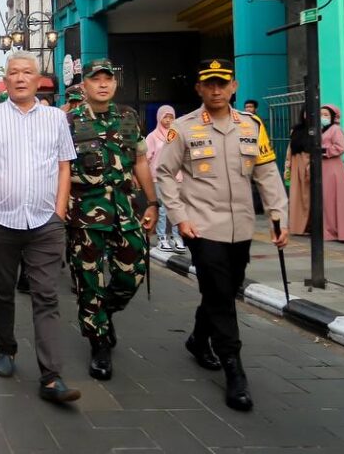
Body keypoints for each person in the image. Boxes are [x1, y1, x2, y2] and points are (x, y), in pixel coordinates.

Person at [154, 58, 289, 413]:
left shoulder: (251, 126)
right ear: (199, 88)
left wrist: (278, 215)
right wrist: (180, 217)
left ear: (234, 86)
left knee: (223, 290)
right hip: (201, 226)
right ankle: (234, 369)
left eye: (222, 83)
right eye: (209, 84)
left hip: (241, 227)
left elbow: (267, 173)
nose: (216, 90)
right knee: (221, 295)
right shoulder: (182, 128)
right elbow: (164, 172)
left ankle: (199, 340)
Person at [0, 51, 81, 404]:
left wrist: (59, 210)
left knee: (46, 295)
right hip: (1, 221)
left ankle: (51, 375)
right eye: (13, 72)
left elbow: (63, 166)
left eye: (27, 72)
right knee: (2, 291)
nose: (20, 78)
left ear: (38, 79)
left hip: (45, 223)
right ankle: (6, 349)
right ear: (6, 79)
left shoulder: (56, 119)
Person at [66, 58, 159, 381]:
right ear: (84, 85)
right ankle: (99, 343)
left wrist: (152, 202)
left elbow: (142, 161)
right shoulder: (70, 121)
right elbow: (59, 168)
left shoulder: (128, 118)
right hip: (85, 212)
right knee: (89, 280)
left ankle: (103, 313)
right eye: (96, 79)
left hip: (124, 208)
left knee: (132, 273)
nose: (103, 84)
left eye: (108, 79)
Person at [145, 105, 183, 252]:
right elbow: (146, 159)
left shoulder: (177, 135)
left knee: (176, 208)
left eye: (171, 117)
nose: (168, 120)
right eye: (165, 117)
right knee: (161, 210)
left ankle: (176, 236)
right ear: (159, 118)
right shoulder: (152, 137)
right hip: (158, 178)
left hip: (176, 177)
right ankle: (162, 238)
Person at [320, 105, 344, 242]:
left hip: (333, 168)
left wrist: (323, 151)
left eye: (325, 114)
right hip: (324, 168)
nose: (322, 117)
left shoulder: (336, 130)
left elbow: (340, 147)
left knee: (336, 199)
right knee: (326, 200)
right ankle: (329, 231)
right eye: (321, 114)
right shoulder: (322, 130)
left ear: (332, 117)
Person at [287, 109, 311, 235]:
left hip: (310, 165)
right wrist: (288, 166)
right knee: (297, 197)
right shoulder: (296, 130)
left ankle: (309, 226)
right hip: (297, 165)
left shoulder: (319, 130)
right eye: (306, 112)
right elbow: (290, 149)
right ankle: (298, 227)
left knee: (309, 197)